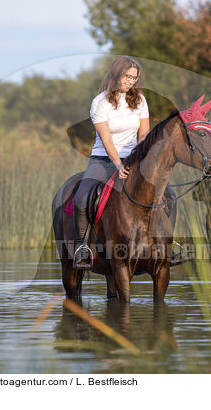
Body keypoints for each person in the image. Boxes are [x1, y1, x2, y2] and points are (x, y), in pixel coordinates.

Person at [73, 56, 149, 268]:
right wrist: (117, 164)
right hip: (104, 160)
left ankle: (166, 245)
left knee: (164, 194)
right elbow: (106, 139)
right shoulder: (100, 102)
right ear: (117, 74)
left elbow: (144, 134)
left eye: (134, 78)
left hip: (134, 159)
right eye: (127, 76)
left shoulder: (141, 101)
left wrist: (138, 159)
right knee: (81, 198)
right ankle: (82, 249)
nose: (131, 81)